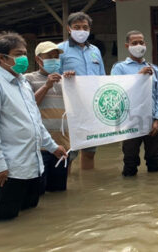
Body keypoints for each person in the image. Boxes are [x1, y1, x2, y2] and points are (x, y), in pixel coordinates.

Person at [0, 32, 67, 220]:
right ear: (2, 58)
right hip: (10, 170)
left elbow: (35, 121)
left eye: (24, 53)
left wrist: (53, 147)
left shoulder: (23, 83)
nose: (23, 58)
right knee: (7, 219)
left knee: (30, 215)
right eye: (18, 54)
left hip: (33, 167)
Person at [111, 31, 158, 177]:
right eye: (134, 43)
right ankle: (130, 193)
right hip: (130, 121)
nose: (139, 46)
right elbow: (117, 93)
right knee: (130, 161)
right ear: (127, 46)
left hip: (152, 120)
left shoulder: (154, 68)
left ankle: (154, 193)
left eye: (141, 42)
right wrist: (138, 77)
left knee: (154, 160)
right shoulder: (119, 68)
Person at [24, 42, 76, 193]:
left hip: (62, 144)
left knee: (59, 192)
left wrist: (73, 83)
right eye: (49, 56)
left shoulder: (64, 81)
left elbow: (78, 107)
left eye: (56, 56)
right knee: (38, 192)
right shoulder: (28, 79)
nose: (54, 59)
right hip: (40, 145)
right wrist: (46, 86)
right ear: (38, 59)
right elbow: (26, 106)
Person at [58, 11, 105, 170]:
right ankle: (66, 184)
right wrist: (64, 76)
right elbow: (53, 77)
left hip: (91, 108)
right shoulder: (60, 50)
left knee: (90, 150)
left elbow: (102, 78)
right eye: (77, 27)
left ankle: (87, 186)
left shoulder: (95, 51)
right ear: (69, 29)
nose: (81, 30)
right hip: (70, 109)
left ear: (89, 29)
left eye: (85, 27)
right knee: (69, 152)